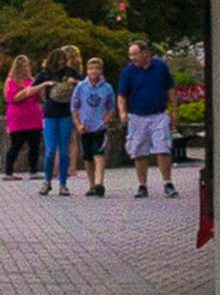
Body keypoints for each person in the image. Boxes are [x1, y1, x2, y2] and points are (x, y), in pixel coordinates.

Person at [116, 38, 180, 198]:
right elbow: (121, 95)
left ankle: (167, 183)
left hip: (158, 114)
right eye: (130, 55)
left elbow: (170, 88)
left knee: (162, 148)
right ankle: (142, 185)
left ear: (145, 53)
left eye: (135, 54)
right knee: (138, 151)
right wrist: (122, 112)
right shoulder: (128, 72)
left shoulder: (160, 67)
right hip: (137, 116)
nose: (132, 58)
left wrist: (174, 111)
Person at [69, 56, 118, 196]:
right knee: (87, 157)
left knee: (99, 155)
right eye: (91, 68)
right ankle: (91, 185)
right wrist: (78, 124)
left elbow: (111, 107)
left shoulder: (107, 88)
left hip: (99, 128)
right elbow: (74, 107)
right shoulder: (80, 87)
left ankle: (99, 184)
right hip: (85, 128)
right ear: (87, 70)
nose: (94, 71)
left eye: (97, 68)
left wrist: (106, 120)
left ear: (101, 71)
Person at [38, 48, 83, 192]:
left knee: (64, 150)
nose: (61, 63)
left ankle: (63, 183)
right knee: (50, 149)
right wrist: (45, 85)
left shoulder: (70, 71)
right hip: (50, 114)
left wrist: (74, 81)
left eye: (63, 60)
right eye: (58, 60)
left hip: (66, 113)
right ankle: (47, 180)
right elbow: (32, 88)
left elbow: (84, 83)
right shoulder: (45, 73)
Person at [0, 57, 44, 179]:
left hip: (33, 116)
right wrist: (27, 92)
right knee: (16, 144)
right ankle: (9, 172)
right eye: (23, 66)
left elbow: (39, 98)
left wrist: (39, 89)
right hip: (18, 117)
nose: (26, 68)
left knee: (34, 145)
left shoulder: (32, 80)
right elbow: (12, 98)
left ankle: (33, 171)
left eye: (27, 66)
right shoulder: (11, 81)